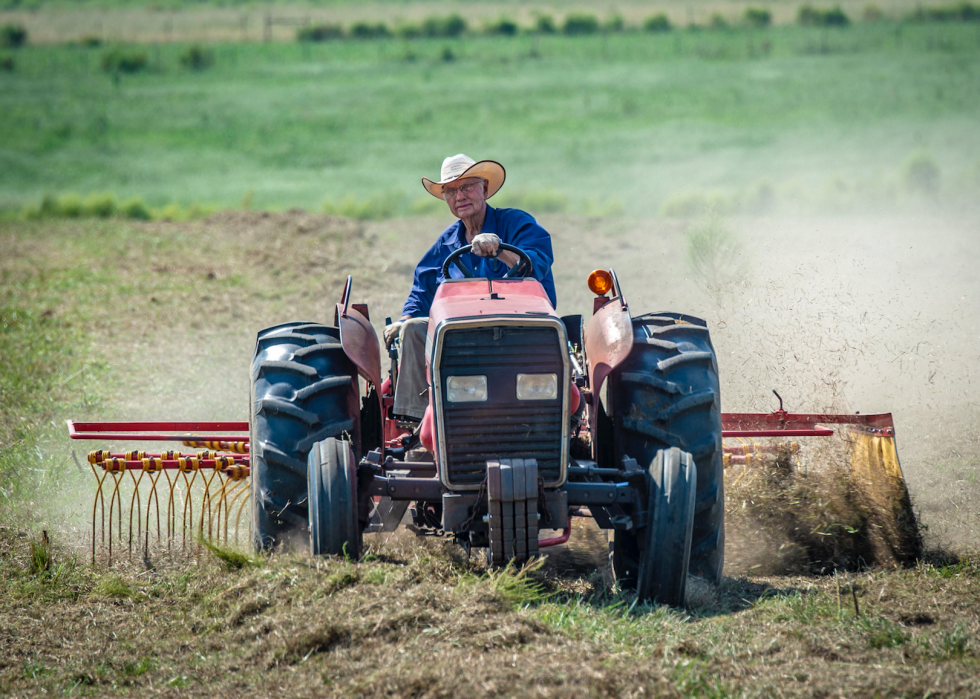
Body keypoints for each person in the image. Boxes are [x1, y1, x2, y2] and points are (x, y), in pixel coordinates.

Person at [384, 154, 557, 423]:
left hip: (517, 331)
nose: (459, 196)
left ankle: (544, 417)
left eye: (467, 186)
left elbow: (536, 263)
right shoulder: (445, 244)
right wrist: (405, 319)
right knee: (414, 329)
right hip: (459, 340)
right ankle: (418, 426)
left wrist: (499, 250)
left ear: (484, 189)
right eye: (451, 191)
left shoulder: (516, 223)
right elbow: (422, 287)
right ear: (445, 199)